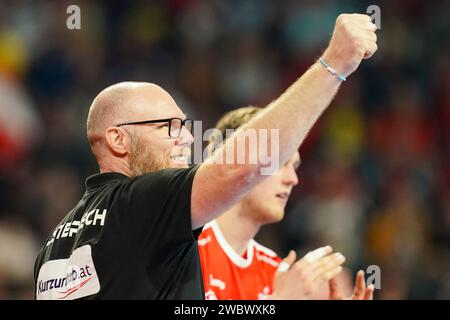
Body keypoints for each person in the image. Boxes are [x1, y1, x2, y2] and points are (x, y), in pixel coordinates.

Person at [33, 14, 378, 299]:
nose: (187, 137)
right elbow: (241, 166)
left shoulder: (53, 248)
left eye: (185, 125)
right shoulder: (140, 204)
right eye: (169, 126)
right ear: (118, 139)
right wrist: (334, 63)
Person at [198, 106, 374, 300]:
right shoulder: (184, 244)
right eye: (280, 163)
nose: (293, 179)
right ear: (234, 160)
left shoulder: (275, 273)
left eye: (295, 166)